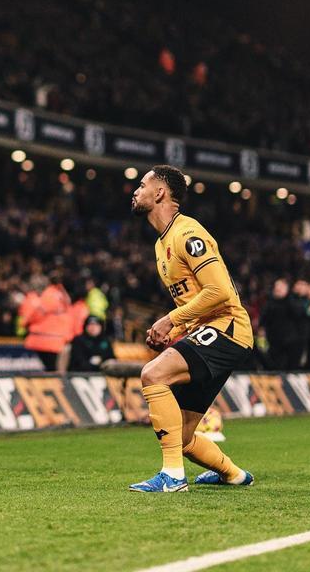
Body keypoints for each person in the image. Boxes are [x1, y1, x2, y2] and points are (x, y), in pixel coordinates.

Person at [128, 165, 255, 493]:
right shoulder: (161, 246)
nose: (136, 190)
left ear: (160, 193)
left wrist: (171, 319)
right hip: (213, 331)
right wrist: (175, 329)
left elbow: (220, 293)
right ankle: (234, 474)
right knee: (182, 437)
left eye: (142, 185)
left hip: (228, 328)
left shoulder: (188, 234)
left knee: (152, 375)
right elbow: (196, 298)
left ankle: (172, 477)